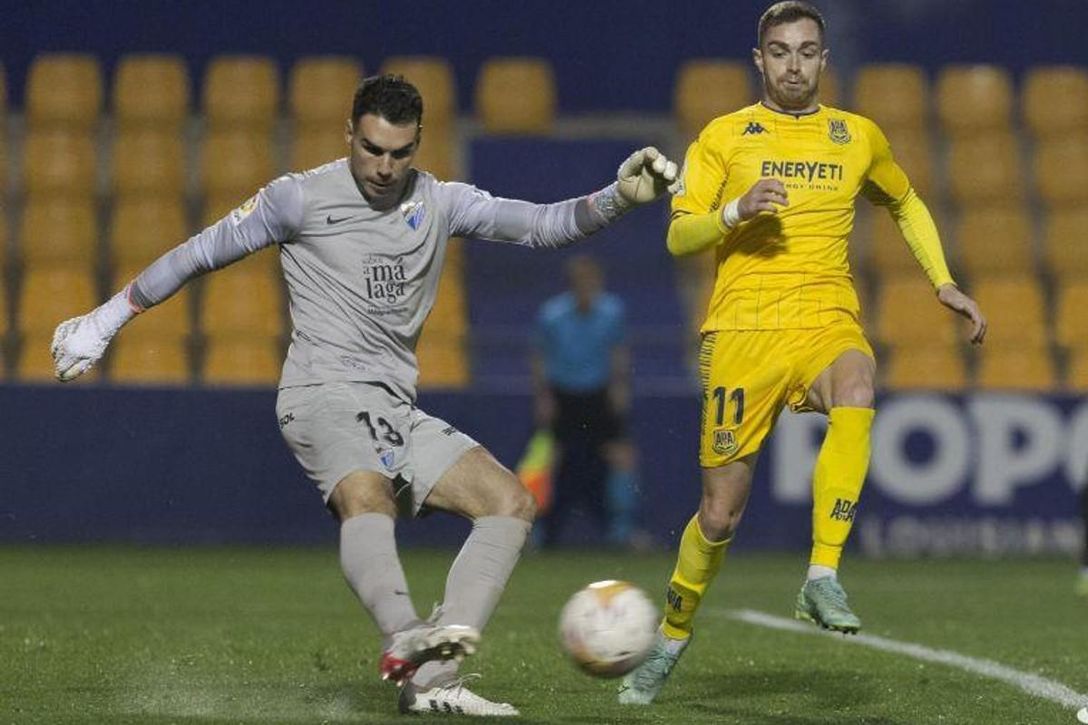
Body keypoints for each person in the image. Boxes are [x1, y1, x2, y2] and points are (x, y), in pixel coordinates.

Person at [51, 74, 678, 718]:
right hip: (320, 391)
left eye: (399, 153)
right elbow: (196, 255)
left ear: (418, 145)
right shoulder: (296, 199)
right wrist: (105, 320)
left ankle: (433, 681)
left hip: (394, 406)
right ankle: (403, 632)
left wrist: (618, 199)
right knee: (366, 491)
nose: (383, 166)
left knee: (508, 503)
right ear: (349, 134)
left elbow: (543, 225)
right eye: (371, 148)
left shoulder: (442, 202)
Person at [618, 1, 987, 706]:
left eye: (807, 51)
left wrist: (943, 282)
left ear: (825, 59)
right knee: (720, 512)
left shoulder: (857, 136)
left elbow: (905, 201)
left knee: (858, 385)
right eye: (780, 51)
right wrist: (735, 211)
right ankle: (670, 636)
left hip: (825, 319)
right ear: (760, 61)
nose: (794, 64)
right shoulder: (723, 136)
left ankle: (821, 574)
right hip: (742, 333)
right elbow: (677, 235)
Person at [531, 255, 641, 548]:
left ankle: (623, 529)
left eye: (590, 281)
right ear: (571, 284)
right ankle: (538, 528)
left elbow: (618, 352)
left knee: (620, 456)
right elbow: (540, 357)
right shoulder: (552, 315)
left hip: (599, 393)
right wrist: (544, 396)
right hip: (563, 394)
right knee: (548, 460)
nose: (586, 287)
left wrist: (619, 387)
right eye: (580, 282)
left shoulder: (612, 312)